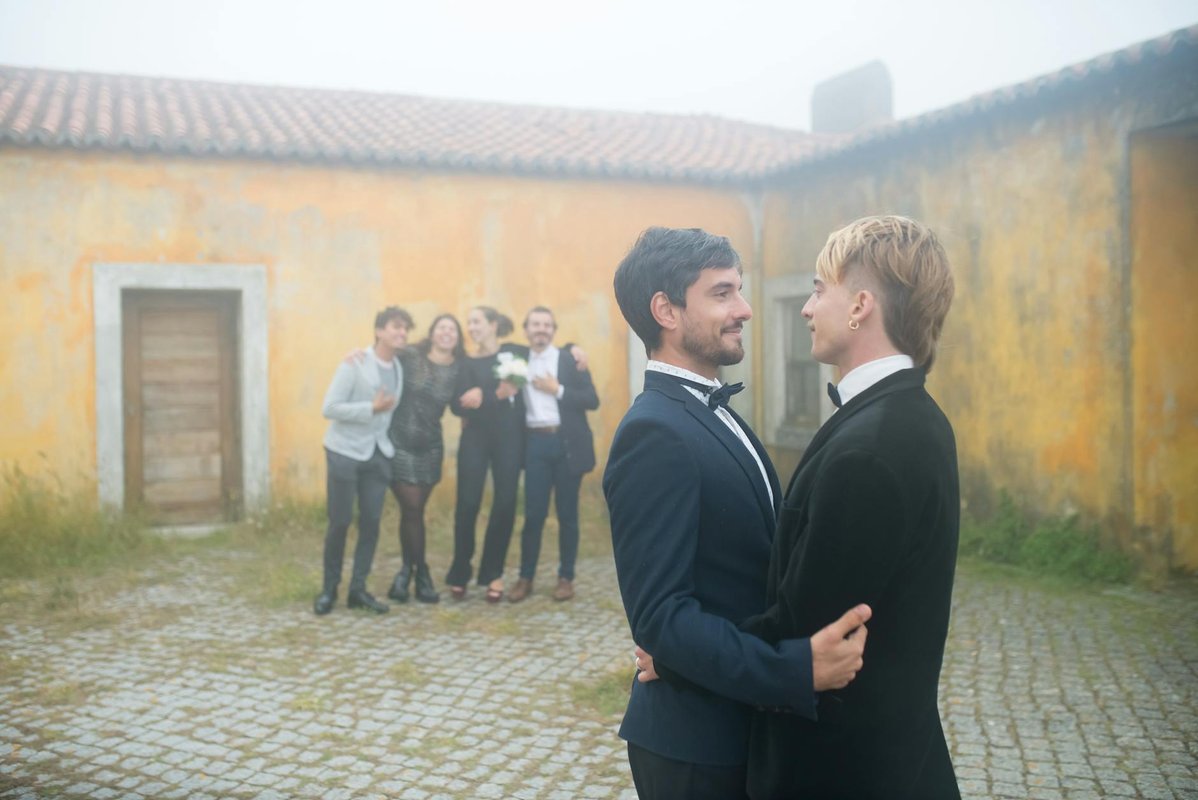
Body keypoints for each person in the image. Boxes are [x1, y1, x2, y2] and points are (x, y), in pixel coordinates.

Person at [603, 227, 871, 800]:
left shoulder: (711, 411)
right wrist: (794, 670)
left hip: (740, 728)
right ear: (665, 311)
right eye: (722, 294)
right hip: (696, 749)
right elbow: (662, 619)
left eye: (741, 291)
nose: (745, 310)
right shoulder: (654, 432)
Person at [740, 215, 961, 799]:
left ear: (861, 304)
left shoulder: (872, 448)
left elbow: (803, 633)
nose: (808, 309)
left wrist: (681, 653)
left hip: (843, 770)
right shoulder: (909, 417)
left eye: (818, 290)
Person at [314, 306, 412, 616]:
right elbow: (329, 408)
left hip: (378, 455)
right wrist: (370, 408)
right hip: (344, 452)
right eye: (396, 327)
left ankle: (358, 589)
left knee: (370, 523)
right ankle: (329, 589)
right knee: (340, 522)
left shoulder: (399, 366)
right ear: (379, 331)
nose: (402, 333)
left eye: (406, 329)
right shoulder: (354, 363)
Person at [507, 306, 599, 603]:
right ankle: (526, 577)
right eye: (535, 324)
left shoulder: (568, 360)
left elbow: (592, 400)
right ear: (526, 330)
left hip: (566, 444)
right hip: (535, 444)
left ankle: (566, 577)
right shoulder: (516, 360)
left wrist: (556, 389)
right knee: (533, 515)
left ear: (553, 330)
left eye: (547, 325)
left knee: (567, 514)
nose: (541, 329)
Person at [384, 313, 467, 605]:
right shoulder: (410, 355)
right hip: (399, 442)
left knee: (413, 513)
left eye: (452, 329)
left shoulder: (460, 369)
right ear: (431, 333)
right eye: (441, 327)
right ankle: (421, 573)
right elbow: (381, 351)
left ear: (457, 338)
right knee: (412, 507)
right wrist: (357, 354)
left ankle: (407, 572)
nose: (446, 333)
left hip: (430, 447)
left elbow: (460, 405)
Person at [445, 306, 526, 603]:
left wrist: (575, 349)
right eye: (469, 323)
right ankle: (460, 571)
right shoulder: (465, 363)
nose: (471, 327)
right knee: (467, 504)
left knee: (505, 503)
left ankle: (493, 572)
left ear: (493, 324)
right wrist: (481, 396)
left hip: (508, 438)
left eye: (477, 321)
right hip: (475, 439)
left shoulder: (514, 353)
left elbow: (548, 350)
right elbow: (455, 405)